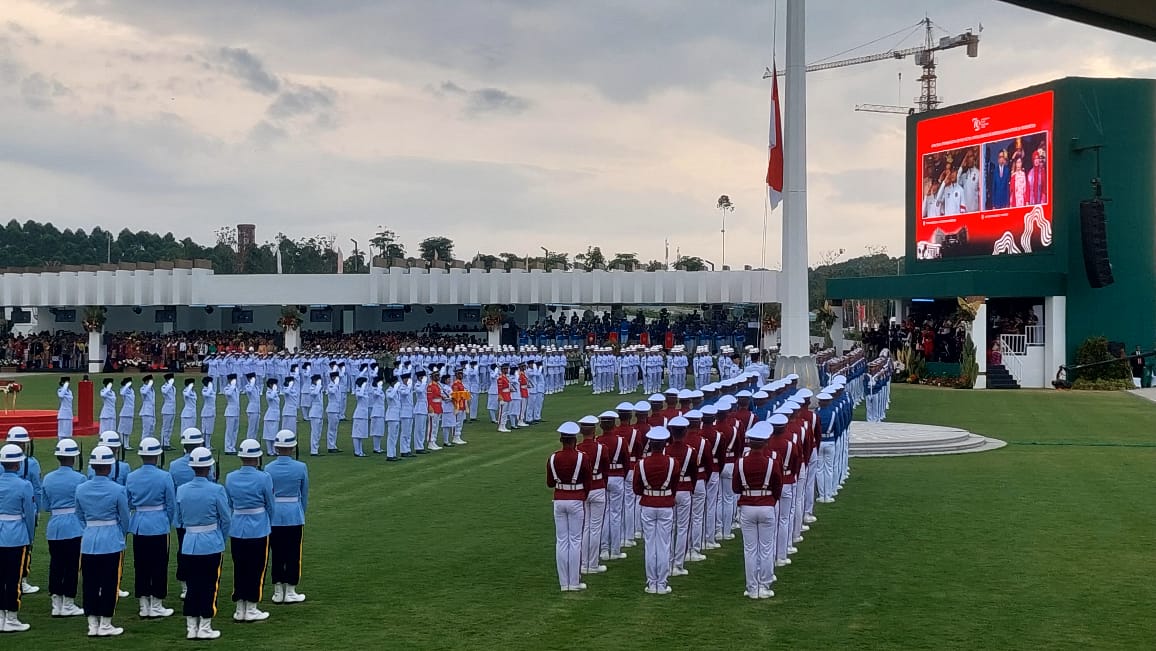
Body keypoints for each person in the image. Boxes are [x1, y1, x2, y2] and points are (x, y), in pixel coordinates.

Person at [75, 444, 130, 637]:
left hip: (89, 539)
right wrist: (120, 533)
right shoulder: (118, 490)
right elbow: (125, 518)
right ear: (109, 467)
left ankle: (92, 623)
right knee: (109, 583)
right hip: (111, 540)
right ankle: (105, 623)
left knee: (89, 583)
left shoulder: (81, 489)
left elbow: (79, 515)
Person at [175, 446, 229, 640]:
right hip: (210, 543)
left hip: (189, 542)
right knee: (208, 585)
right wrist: (220, 539)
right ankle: (204, 626)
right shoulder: (217, 490)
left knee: (192, 586)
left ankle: (191, 627)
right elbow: (226, 519)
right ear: (209, 468)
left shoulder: (181, 490)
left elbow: (179, 519)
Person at [126, 437, 176, 619]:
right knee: (158, 565)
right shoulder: (164, 476)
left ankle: (143, 604)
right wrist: (165, 520)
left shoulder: (131, 476)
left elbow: (129, 502)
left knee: (141, 565)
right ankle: (156, 603)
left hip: (139, 524)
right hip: (159, 524)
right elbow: (171, 504)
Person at [225, 439, 274, 623]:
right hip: (258, 527)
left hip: (237, 526)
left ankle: (240, 607)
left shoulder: (230, 477)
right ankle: (251, 607)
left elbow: (229, 503)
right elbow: (270, 503)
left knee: (240, 567)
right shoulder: (264, 477)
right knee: (256, 568)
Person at [734, 419, 782, 599]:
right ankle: (765, 585)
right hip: (766, 504)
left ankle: (752, 587)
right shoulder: (772, 463)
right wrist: (770, 499)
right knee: (767, 548)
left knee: (750, 549)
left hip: (747, 505)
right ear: (765, 443)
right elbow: (778, 486)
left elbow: (736, 487)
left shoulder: (741, 462)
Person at [40, 438, 86, 618]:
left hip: (55, 526)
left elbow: (45, 506)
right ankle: (67, 602)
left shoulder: (48, 478)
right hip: (74, 525)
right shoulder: (80, 478)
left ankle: (56, 603)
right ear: (74, 458)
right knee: (72, 565)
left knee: (56, 565)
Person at [169, 428, 214, 600]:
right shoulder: (208, 462)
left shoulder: (174, 465)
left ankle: (185, 585)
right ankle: (200, 582)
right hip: (203, 514)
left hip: (183, 514)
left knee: (183, 549)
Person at [265, 431, 308, 604]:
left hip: (274, 515)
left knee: (276, 553)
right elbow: (304, 494)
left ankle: (277, 589)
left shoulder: (268, 468)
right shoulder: (301, 467)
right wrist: (301, 512)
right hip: (293, 514)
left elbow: (268, 495)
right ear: (292, 448)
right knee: (293, 553)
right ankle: (290, 590)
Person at [546, 422, 589, 592]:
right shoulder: (582, 457)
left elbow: (550, 483)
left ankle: (564, 583)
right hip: (576, 498)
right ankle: (574, 581)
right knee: (575, 541)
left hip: (559, 499)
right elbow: (587, 481)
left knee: (562, 541)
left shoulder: (553, 457)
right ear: (574, 440)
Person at [633, 426, 675, 595]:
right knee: (664, 545)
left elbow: (636, 488)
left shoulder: (641, 464)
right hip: (665, 503)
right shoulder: (673, 463)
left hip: (648, 503)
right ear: (665, 444)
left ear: (650, 444)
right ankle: (662, 583)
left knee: (650, 545)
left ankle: (652, 583)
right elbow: (674, 484)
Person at [0, 443, 36, 632]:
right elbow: (29, 515)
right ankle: (11, 618)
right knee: (13, 578)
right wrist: (30, 536)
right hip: (16, 535)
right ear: (17, 464)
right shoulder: (24, 485)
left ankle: (1, 617)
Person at [576, 415, 608, 576]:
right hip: (598, 486)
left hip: (582, 488)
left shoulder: (578, 448)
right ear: (594, 430)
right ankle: (592, 563)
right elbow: (605, 468)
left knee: (585, 527)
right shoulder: (601, 448)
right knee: (594, 528)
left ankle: (583, 562)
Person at [665, 416, 696, 577]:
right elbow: (694, 473)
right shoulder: (690, 451)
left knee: (669, 528)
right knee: (682, 528)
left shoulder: (665, 450)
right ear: (685, 432)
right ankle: (678, 564)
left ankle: (668, 562)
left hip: (669, 490)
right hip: (684, 489)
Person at [957, 149, 981, 214]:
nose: (969, 159)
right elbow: (957, 181)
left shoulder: (979, 173)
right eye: (967, 157)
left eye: (970, 156)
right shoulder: (964, 175)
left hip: (975, 211)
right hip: (965, 212)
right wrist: (962, 165)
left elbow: (980, 194)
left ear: (974, 158)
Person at [325, 372, 342, 454]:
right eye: (335, 377)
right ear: (332, 378)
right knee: (331, 429)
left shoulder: (338, 386)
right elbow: (332, 392)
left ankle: (334, 445)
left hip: (337, 409)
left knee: (335, 429)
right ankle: (330, 446)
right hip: (332, 409)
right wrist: (335, 384)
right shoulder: (330, 385)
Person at [263, 378, 281, 456]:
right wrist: (273, 390)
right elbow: (270, 398)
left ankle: (273, 450)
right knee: (268, 434)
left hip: (275, 415)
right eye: (274, 384)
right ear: (271, 385)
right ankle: (269, 451)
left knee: (274, 434)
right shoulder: (269, 392)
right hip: (270, 416)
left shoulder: (274, 392)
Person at [160, 373, 178, 450]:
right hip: (167, 409)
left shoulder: (173, 387)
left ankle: (167, 443)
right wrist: (170, 384)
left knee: (170, 427)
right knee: (165, 427)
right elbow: (165, 391)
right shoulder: (164, 387)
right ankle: (163, 443)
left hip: (172, 409)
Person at [244, 373, 262, 446]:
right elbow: (249, 391)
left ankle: (254, 443)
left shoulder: (256, 387)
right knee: (251, 428)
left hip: (257, 409)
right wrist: (251, 383)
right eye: (252, 378)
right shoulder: (248, 386)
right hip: (252, 409)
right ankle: (248, 443)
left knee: (256, 428)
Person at [370, 376, 386, 454]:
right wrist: (379, 387)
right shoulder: (374, 389)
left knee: (379, 431)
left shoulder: (380, 390)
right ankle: (376, 448)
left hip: (381, 412)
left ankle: (378, 447)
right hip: (376, 412)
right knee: (376, 431)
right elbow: (375, 395)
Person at [118, 378, 136, 450]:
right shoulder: (123, 389)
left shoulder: (131, 390)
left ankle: (127, 444)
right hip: (125, 412)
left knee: (128, 430)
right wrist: (126, 386)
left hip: (131, 412)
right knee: (122, 429)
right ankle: (122, 444)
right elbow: (121, 393)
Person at [139, 375, 156, 447]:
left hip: (152, 411)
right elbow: (144, 392)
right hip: (146, 412)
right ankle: (143, 444)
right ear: (146, 381)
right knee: (146, 429)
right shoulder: (143, 388)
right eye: (150, 381)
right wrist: (149, 385)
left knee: (151, 429)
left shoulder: (152, 389)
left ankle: (150, 444)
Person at [201, 377, 217, 450]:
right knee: (205, 430)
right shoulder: (205, 390)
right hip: (206, 412)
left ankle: (208, 444)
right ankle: (205, 445)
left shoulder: (211, 390)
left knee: (210, 430)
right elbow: (207, 395)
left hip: (212, 412)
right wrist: (210, 387)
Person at [496, 365, 513, 433]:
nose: (506, 370)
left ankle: (504, 425)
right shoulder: (500, 378)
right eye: (505, 369)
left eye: (507, 369)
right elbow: (499, 389)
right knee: (502, 412)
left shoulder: (506, 377)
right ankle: (500, 426)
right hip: (503, 395)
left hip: (507, 395)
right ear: (502, 370)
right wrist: (501, 398)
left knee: (506, 412)